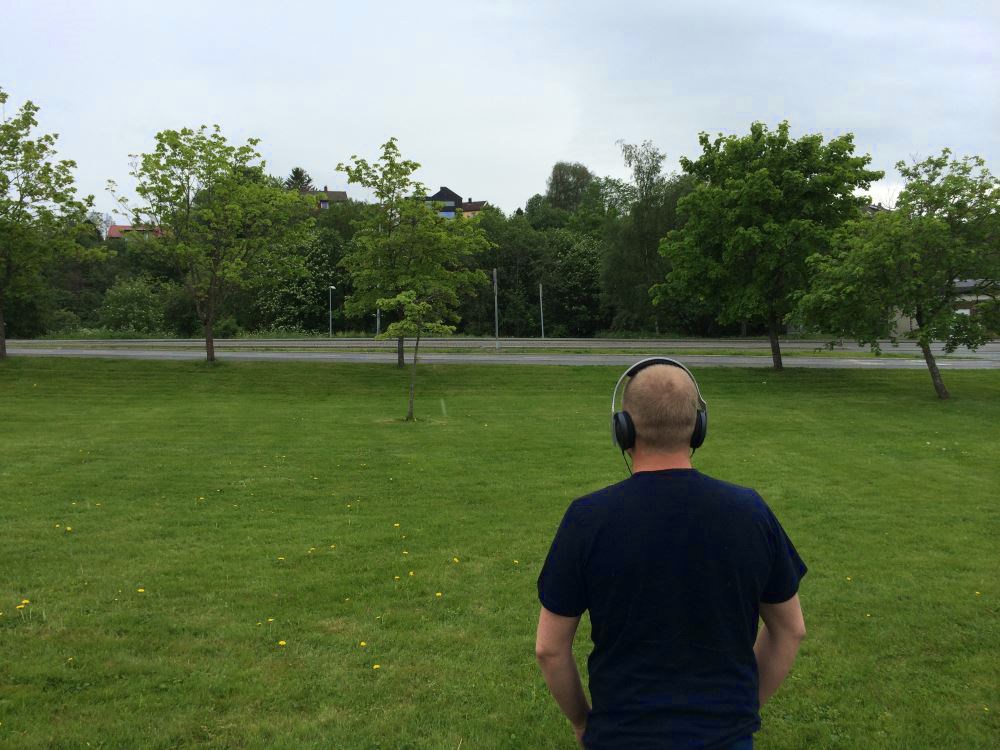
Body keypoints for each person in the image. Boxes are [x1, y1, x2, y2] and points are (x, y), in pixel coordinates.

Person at [536, 359, 807, 749]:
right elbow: (790, 630)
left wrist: (582, 721)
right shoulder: (750, 512)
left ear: (622, 429)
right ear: (698, 427)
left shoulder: (587, 519)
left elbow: (549, 648)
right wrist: (738, 712)